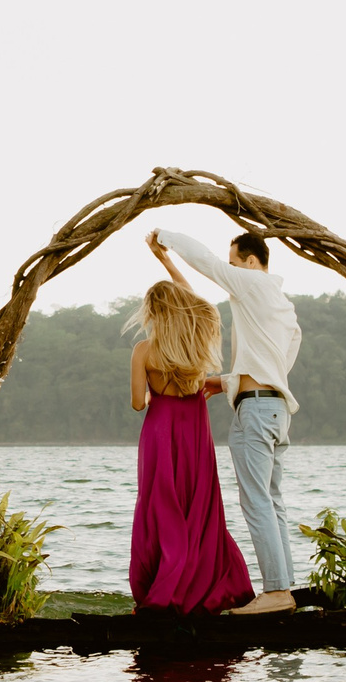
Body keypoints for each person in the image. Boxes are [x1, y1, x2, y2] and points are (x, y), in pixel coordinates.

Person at [150, 227, 302, 614]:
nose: (230, 270)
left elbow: (207, 263)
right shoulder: (285, 310)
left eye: (235, 262)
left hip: (255, 410)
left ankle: (275, 592)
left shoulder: (251, 282)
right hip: (276, 409)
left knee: (256, 501)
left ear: (251, 263)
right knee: (273, 500)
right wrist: (226, 381)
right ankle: (284, 587)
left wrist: (165, 237)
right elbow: (274, 366)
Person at [123, 277, 255, 615]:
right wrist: (167, 261)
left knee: (160, 504)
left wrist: (154, 390)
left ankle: (161, 587)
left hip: (159, 428)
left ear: (152, 311)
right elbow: (205, 306)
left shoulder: (144, 350)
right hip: (195, 427)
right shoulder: (198, 342)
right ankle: (200, 585)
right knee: (198, 503)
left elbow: (139, 403)